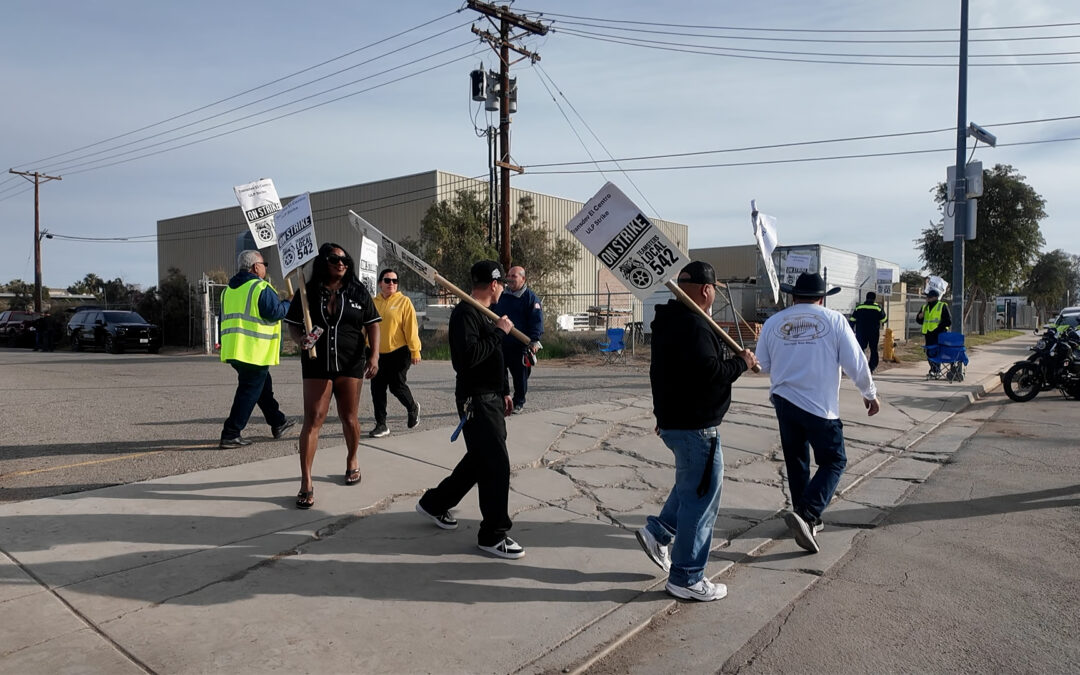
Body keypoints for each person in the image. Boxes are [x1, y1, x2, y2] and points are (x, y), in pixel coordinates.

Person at [636, 261, 757, 602]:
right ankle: (687, 577)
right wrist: (742, 364)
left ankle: (658, 533)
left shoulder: (672, 320)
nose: (715, 295)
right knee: (701, 501)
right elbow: (710, 372)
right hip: (695, 428)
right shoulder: (692, 325)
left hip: (679, 422)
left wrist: (663, 412)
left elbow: (661, 373)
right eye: (715, 289)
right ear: (707, 290)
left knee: (690, 488)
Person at [756, 272, 879, 554]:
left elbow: (761, 365)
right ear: (822, 298)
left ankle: (803, 514)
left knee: (797, 460)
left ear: (793, 295)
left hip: (785, 401)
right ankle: (808, 513)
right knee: (834, 460)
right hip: (819, 405)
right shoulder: (834, 320)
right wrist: (869, 393)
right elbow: (855, 361)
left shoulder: (774, 322)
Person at [416, 260, 524, 559]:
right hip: (476, 400)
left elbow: (493, 358)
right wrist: (499, 332)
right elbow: (467, 359)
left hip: (491, 396)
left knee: (479, 461)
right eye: (502, 283)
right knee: (496, 466)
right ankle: (493, 534)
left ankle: (434, 504)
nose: (503, 287)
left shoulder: (486, 315)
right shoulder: (466, 314)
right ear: (493, 285)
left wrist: (504, 390)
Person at [285, 243, 381, 510]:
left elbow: (373, 324)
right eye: (334, 258)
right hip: (316, 362)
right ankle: (306, 481)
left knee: (349, 417)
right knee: (313, 419)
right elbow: (293, 325)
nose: (341, 263)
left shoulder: (357, 290)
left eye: (344, 259)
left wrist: (374, 356)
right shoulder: (307, 291)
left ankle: (352, 459)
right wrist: (300, 340)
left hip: (351, 362)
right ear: (322, 262)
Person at [219, 250, 295, 449]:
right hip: (254, 351)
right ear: (255, 267)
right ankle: (231, 433)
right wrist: (289, 302)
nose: (265, 267)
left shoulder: (228, 290)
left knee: (262, 388)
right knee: (249, 391)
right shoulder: (260, 286)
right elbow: (275, 313)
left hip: (235, 351)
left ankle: (278, 422)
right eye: (264, 263)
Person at [369, 268, 421, 438]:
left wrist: (415, 350)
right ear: (380, 283)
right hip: (377, 353)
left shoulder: (404, 302)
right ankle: (381, 424)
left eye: (395, 281)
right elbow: (366, 326)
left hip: (399, 352)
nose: (391, 283)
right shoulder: (372, 302)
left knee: (396, 385)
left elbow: (411, 328)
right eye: (387, 280)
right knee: (377, 388)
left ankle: (412, 407)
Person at [491, 265, 543, 413]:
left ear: (523, 279)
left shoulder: (531, 299)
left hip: (520, 346)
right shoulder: (501, 296)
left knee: (521, 376)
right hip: (500, 342)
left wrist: (534, 341)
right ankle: (502, 400)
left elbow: (536, 321)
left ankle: (519, 401)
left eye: (514, 276)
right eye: (509, 275)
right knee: (500, 374)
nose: (510, 278)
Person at [916, 288, 952, 376]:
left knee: (936, 352)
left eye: (929, 297)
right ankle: (933, 369)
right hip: (928, 334)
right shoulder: (925, 307)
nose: (927, 299)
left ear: (935, 297)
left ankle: (936, 370)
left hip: (938, 334)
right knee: (929, 352)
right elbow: (919, 320)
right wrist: (920, 317)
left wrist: (938, 329)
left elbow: (948, 321)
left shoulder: (942, 306)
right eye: (927, 297)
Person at [848, 291, 887, 372]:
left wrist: (851, 329)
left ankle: (861, 366)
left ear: (866, 297)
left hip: (861, 331)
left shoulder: (859, 307)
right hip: (873, 332)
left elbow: (852, 319)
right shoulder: (878, 308)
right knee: (873, 349)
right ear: (874, 298)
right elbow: (884, 320)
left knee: (860, 349)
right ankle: (871, 367)